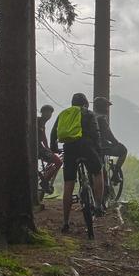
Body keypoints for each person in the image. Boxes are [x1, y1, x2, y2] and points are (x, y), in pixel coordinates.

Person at [50, 93, 104, 233]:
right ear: (85, 103)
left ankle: (66, 222)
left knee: (69, 183)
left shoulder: (64, 113)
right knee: (98, 172)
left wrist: (54, 148)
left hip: (69, 148)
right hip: (87, 147)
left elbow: (53, 134)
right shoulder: (88, 113)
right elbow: (96, 133)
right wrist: (98, 151)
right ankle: (98, 205)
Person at [93, 97, 128, 185]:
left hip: (90, 146)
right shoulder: (101, 118)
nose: (107, 109)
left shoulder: (91, 115)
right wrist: (116, 143)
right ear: (102, 107)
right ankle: (115, 175)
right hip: (102, 146)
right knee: (123, 150)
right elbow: (108, 134)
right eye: (106, 107)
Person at [37, 104, 62, 192]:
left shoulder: (42, 123)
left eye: (50, 113)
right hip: (37, 148)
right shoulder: (38, 120)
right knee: (58, 162)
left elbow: (44, 138)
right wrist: (47, 149)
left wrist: (48, 148)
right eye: (47, 112)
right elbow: (42, 138)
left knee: (53, 160)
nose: (49, 115)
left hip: (39, 147)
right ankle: (45, 181)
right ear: (42, 112)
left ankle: (44, 179)